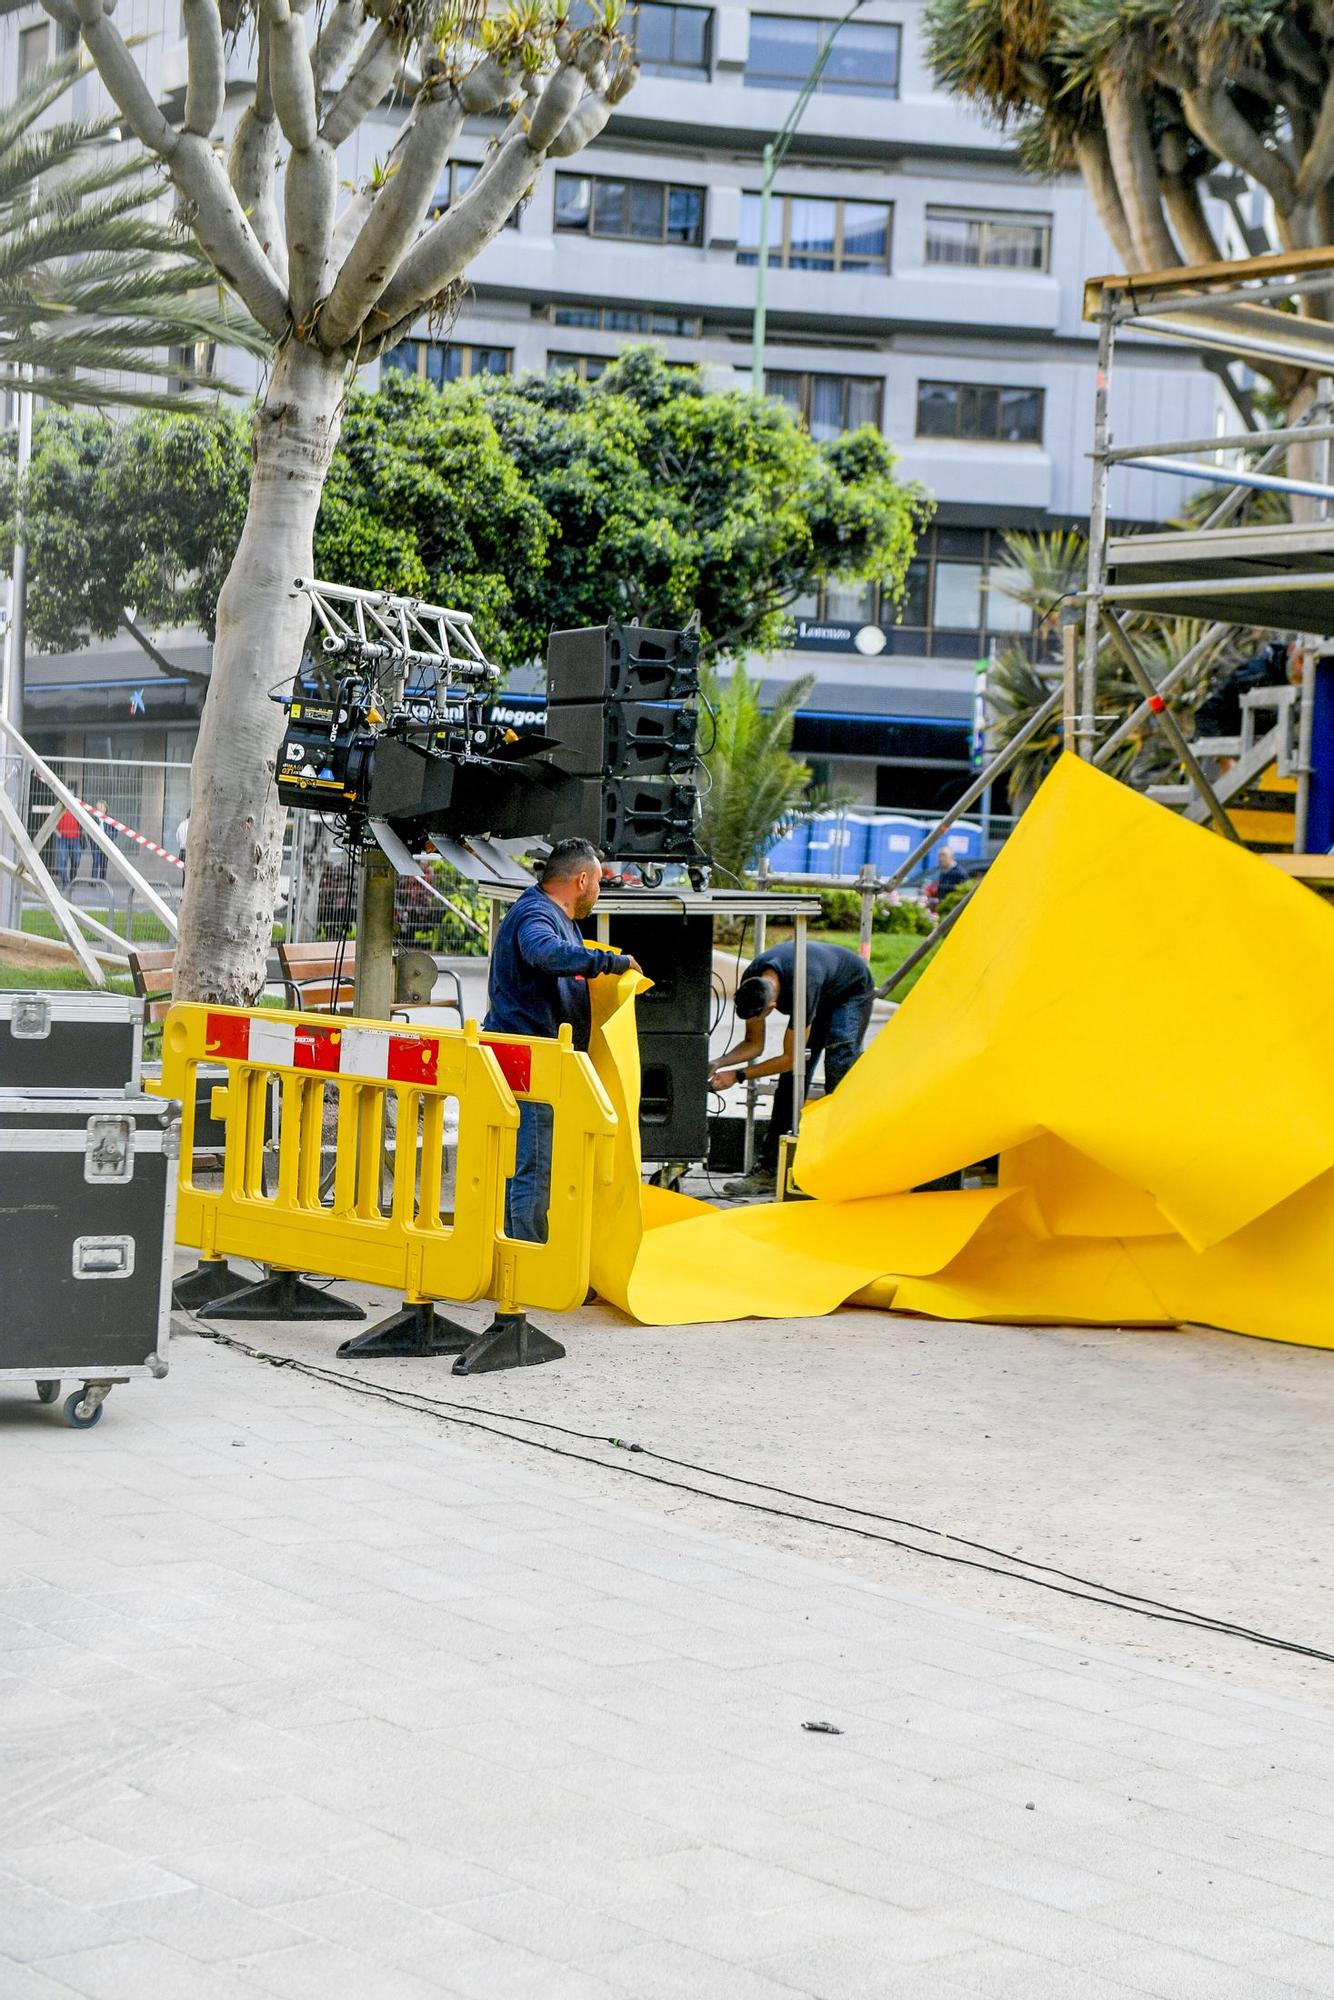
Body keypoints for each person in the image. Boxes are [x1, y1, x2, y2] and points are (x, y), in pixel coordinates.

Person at [483, 838, 640, 1243]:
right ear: (582, 879)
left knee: (525, 1163)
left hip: (536, 1055)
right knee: (532, 1165)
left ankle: (510, 1254)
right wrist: (609, 962)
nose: (600, 892)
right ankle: (529, 1264)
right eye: (599, 883)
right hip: (529, 1057)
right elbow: (546, 954)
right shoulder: (537, 914)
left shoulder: (551, 914)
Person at [710, 938, 875, 1198]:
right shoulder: (753, 980)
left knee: (838, 1063)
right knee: (790, 1084)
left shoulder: (802, 987)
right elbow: (754, 1045)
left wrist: (739, 1075)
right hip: (821, 983)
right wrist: (719, 1063)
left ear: (772, 1007)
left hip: (850, 989)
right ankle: (770, 1169)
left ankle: (843, 1163)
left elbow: (791, 1059)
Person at [52, 806, 82, 890]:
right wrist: (56, 832)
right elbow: (52, 822)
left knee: (76, 859)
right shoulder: (59, 810)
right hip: (63, 839)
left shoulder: (76, 810)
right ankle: (65, 881)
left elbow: (82, 823)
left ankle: (72, 878)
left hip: (75, 839)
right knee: (62, 860)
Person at [89, 800, 112, 882]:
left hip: (106, 844)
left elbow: (115, 831)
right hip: (96, 844)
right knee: (96, 861)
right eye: (98, 807)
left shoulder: (109, 819)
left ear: (105, 808)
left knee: (104, 863)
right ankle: (93, 881)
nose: (99, 808)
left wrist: (110, 838)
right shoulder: (93, 818)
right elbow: (89, 830)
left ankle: (102, 881)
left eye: (101, 807)